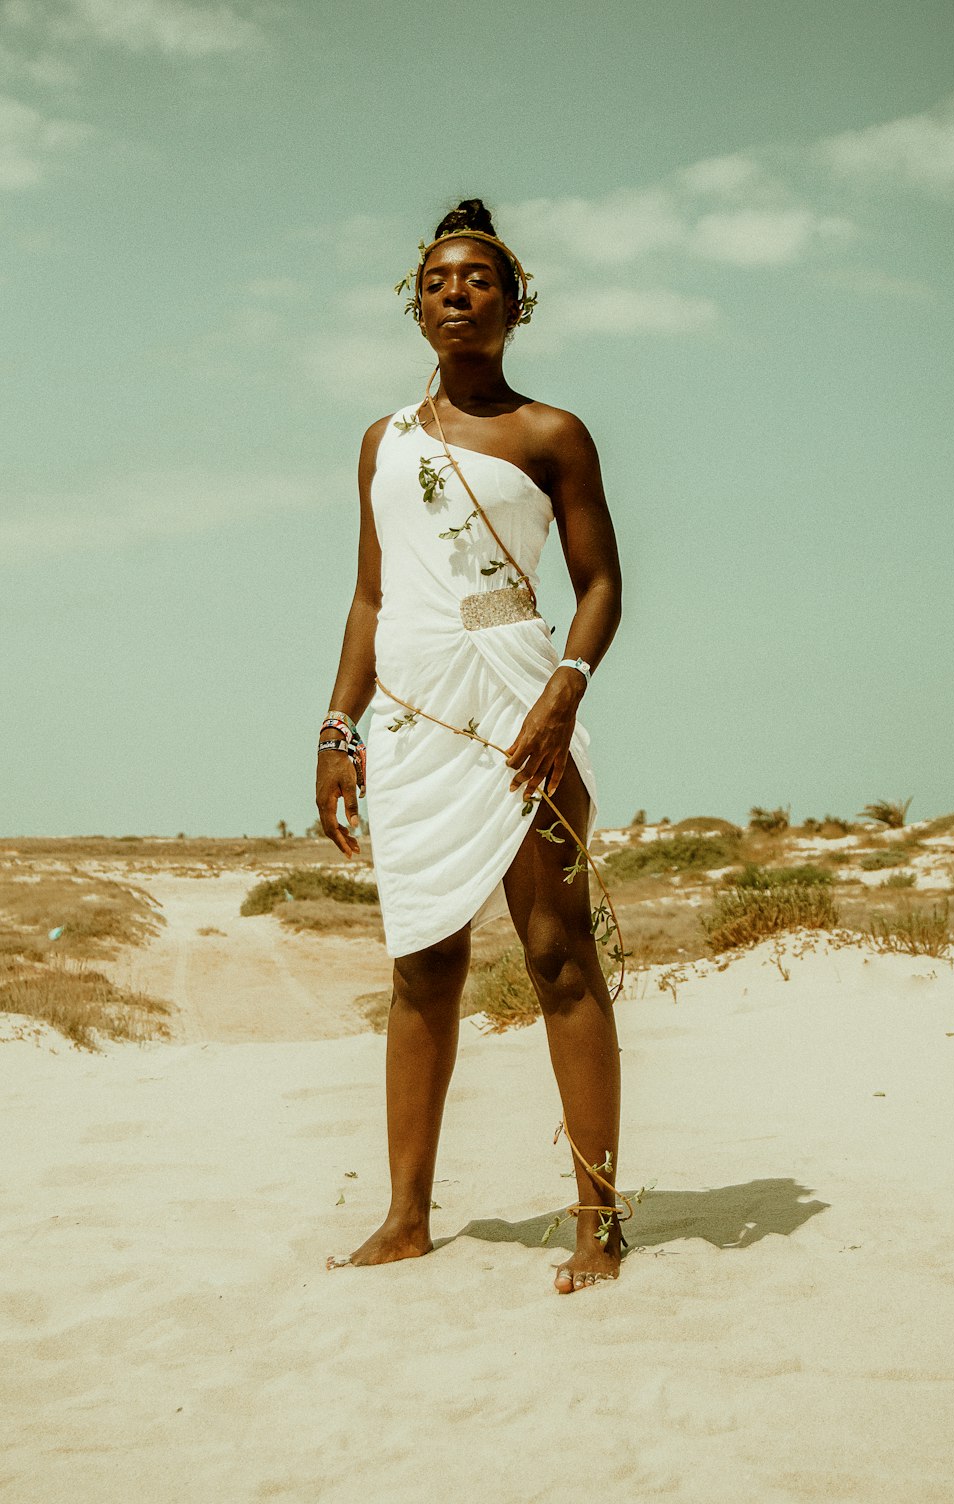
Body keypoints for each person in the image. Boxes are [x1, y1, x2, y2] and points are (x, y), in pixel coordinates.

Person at [315, 198, 624, 1293]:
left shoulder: (551, 434)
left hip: (516, 698)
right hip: (409, 712)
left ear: (514, 303)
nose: (456, 292)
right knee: (421, 966)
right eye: (438, 279)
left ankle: (598, 1218)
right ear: (415, 306)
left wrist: (560, 695)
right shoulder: (383, 443)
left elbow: (600, 587)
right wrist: (336, 727)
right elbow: (369, 596)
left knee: (556, 956)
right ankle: (405, 1215)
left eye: (478, 279)